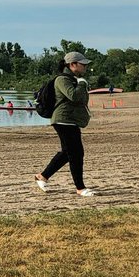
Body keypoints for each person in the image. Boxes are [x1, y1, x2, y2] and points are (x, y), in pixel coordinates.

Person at [34, 52, 95, 196]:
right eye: (83, 64)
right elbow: (73, 96)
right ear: (72, 64)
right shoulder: (62, 79)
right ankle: (80, 188)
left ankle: (42, 176)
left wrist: (80, 83)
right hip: (63, 120)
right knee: (76, 154)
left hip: (70, 120)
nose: (85, 66)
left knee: (68, 153)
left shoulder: (74, 79)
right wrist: (82, 84)